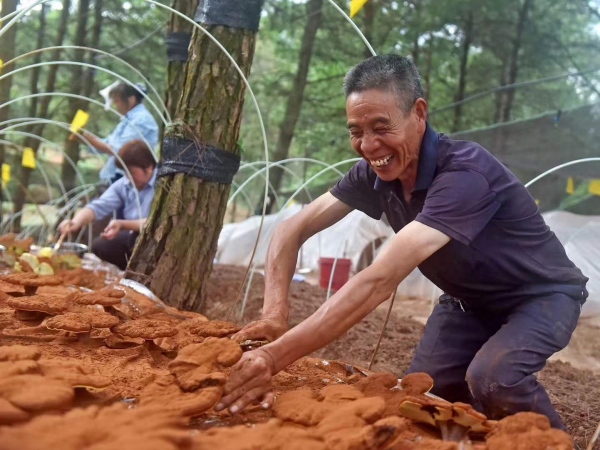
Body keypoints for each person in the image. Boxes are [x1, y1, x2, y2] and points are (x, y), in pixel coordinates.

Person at [216, 55, 588, 430]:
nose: (369, 145)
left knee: (495, 377)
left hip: (541, 296)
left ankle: (550, 440)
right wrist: (273, 314)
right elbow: (291, 229)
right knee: (424, 396)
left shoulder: (464, 174)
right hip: (469, 302)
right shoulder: (373, 173)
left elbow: (378, 281)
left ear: (419, 113)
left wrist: (274, 358)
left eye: (381, 126)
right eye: (356, 131)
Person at [58, 140, 157, 270]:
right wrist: (75, 222)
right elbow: (97, 207)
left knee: (136, 240)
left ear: (149, 167)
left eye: (132, 173)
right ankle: (130, 272)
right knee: (101, 246)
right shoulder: (124, 185)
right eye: (125, 173)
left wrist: (122, 224)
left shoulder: (164, 184)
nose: (128, 178)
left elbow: (156, 223)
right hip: (132, 235)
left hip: (155, 238)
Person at [81, 82, 159, 184]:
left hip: (127, 180)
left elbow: (120, 151)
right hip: (116, 179)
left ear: (131, 100)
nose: (115, 105)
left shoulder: (141, 120)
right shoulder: (128, 119)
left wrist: (89, 138)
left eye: (117, 101)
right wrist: (84, 138)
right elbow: (108, 142)